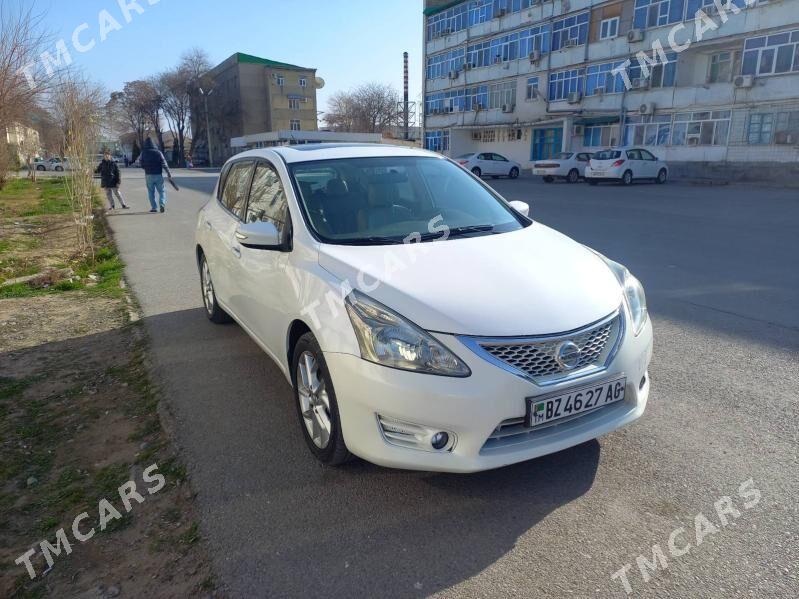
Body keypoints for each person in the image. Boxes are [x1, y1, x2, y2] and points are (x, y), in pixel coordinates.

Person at [139, 137, 173, 213]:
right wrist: (168, 173)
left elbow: (140, 162)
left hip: (148, 175)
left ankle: (154, 207)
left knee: (151, 192)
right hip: (158, 174)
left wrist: (145, 168)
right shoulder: (158, 152)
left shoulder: (143, 153)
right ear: (154, 144)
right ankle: (162, 204)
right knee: (161, 191)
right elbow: (164, 164)